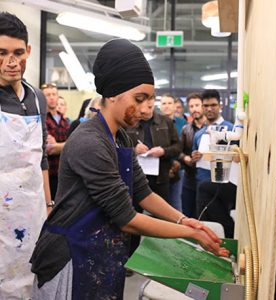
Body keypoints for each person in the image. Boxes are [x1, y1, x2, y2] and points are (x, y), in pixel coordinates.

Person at [30, 38, 229, 300]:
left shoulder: (122, 138)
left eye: (150, 99)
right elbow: (127, 218)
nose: (147, 110)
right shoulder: (89, 141)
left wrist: (183, 219)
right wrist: (191, 234)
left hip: (102, 253)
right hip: (71, 256)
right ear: (113, 93)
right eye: (139, 98)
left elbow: (143, 194)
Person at [0, 12, 52, 299]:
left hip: (31, 211)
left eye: (18, 52)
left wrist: (48, 205)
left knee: (29, 281)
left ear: (28, 51)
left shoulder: (36, 97)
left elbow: (41, 156)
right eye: (2, 53)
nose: (11, 61)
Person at [192, 89, 234, 184]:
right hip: (202, 181)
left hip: (226, 183)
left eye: (213, 105)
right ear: (202, 107)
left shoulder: (231, 130)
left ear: (220, 106)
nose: (209, 109)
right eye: (206, 106)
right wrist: (195, 156)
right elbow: (194, 154)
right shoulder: (199, 133)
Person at [179, 92, 206, 217]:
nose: (194, 109)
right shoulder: (186, 129)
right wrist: (186, 158)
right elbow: (178, 151)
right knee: (188, 214)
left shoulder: (214, 128)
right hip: (190, 177)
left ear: (203, 106)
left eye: (197, 105)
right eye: (191, 106)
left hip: (207, 178)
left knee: (204, 215)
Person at [42, 82, 70, 199]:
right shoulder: (42, 119)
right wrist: (67, 145)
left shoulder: (64, 120)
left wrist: (58, 145)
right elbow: (49, 149)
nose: (52, 97)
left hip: (64, 173)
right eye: (48, 95)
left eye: (54, 94)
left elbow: (73, 145)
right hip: (49, 174)